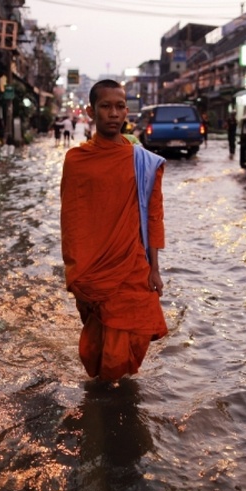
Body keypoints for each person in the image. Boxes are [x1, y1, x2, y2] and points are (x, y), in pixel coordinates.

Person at [60, 79, 168, 383]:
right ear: (93, 111)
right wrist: (75, 268)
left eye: (120, 106)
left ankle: (111, 392)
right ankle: (105, 397)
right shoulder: (77, 161)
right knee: (101, 343)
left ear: (127, 111)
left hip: (132, 264)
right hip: (92, 266)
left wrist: (155, 268)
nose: (114, 113)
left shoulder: (143, 161)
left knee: (135, 338)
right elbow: (71, 218)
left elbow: (154, 215)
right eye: (105, 106)